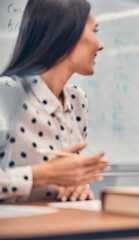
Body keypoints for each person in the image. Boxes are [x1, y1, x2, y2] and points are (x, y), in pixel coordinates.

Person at [0, 0, 109, 203]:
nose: (99, 44)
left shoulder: (77, 100)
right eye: (94, 31)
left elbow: (67, 179)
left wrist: (78, 187)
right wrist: (40, 175)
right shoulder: (6, 94)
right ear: (66, 33)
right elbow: (48, 175)